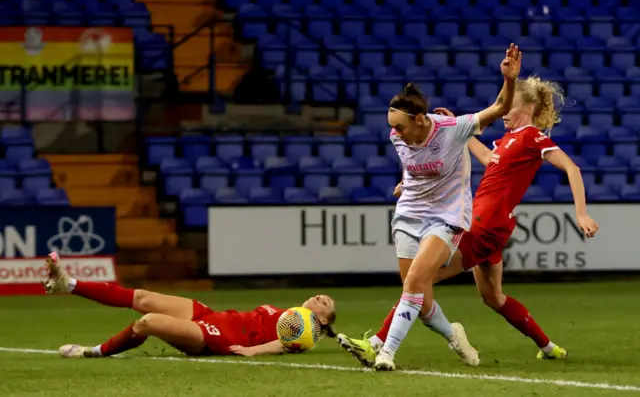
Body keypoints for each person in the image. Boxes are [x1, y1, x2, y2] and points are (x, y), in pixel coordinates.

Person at [337, 75, 599, 368]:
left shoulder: (531, 137)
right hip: (490, 226)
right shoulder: (508, 141)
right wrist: (461, 134)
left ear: (527, 107)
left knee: (418, 280)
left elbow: (572, 168)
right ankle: (548, 347)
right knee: (493, 297)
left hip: (482, 226)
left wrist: (581, 213)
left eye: (508, 108)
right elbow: (489, 160)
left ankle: (377, 344)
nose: (504, 115)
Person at [338, 45, 523, 371]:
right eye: (392, 127)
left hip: (447, 216)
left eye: (400, 128)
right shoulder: (399, 138)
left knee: (413, 284)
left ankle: (385, 353)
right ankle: (454, 335)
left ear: (421, 119)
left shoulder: (454, 129)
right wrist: (404, 183)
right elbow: (413, 165)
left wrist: (509, 80)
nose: (395, 134)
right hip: (408, 215)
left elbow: (498, 107)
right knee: (421, 300)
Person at [42, 252, 337, 358]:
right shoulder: (289, 314)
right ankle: (67, 284)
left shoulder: (304, 331)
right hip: (214, 316)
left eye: (324, 302)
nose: (318, 297)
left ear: (323, 320)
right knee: (142, 297)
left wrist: (252, 351)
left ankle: (92, 352)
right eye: (320, 295)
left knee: (147, 323)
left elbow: (283, 346)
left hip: (219, 337)